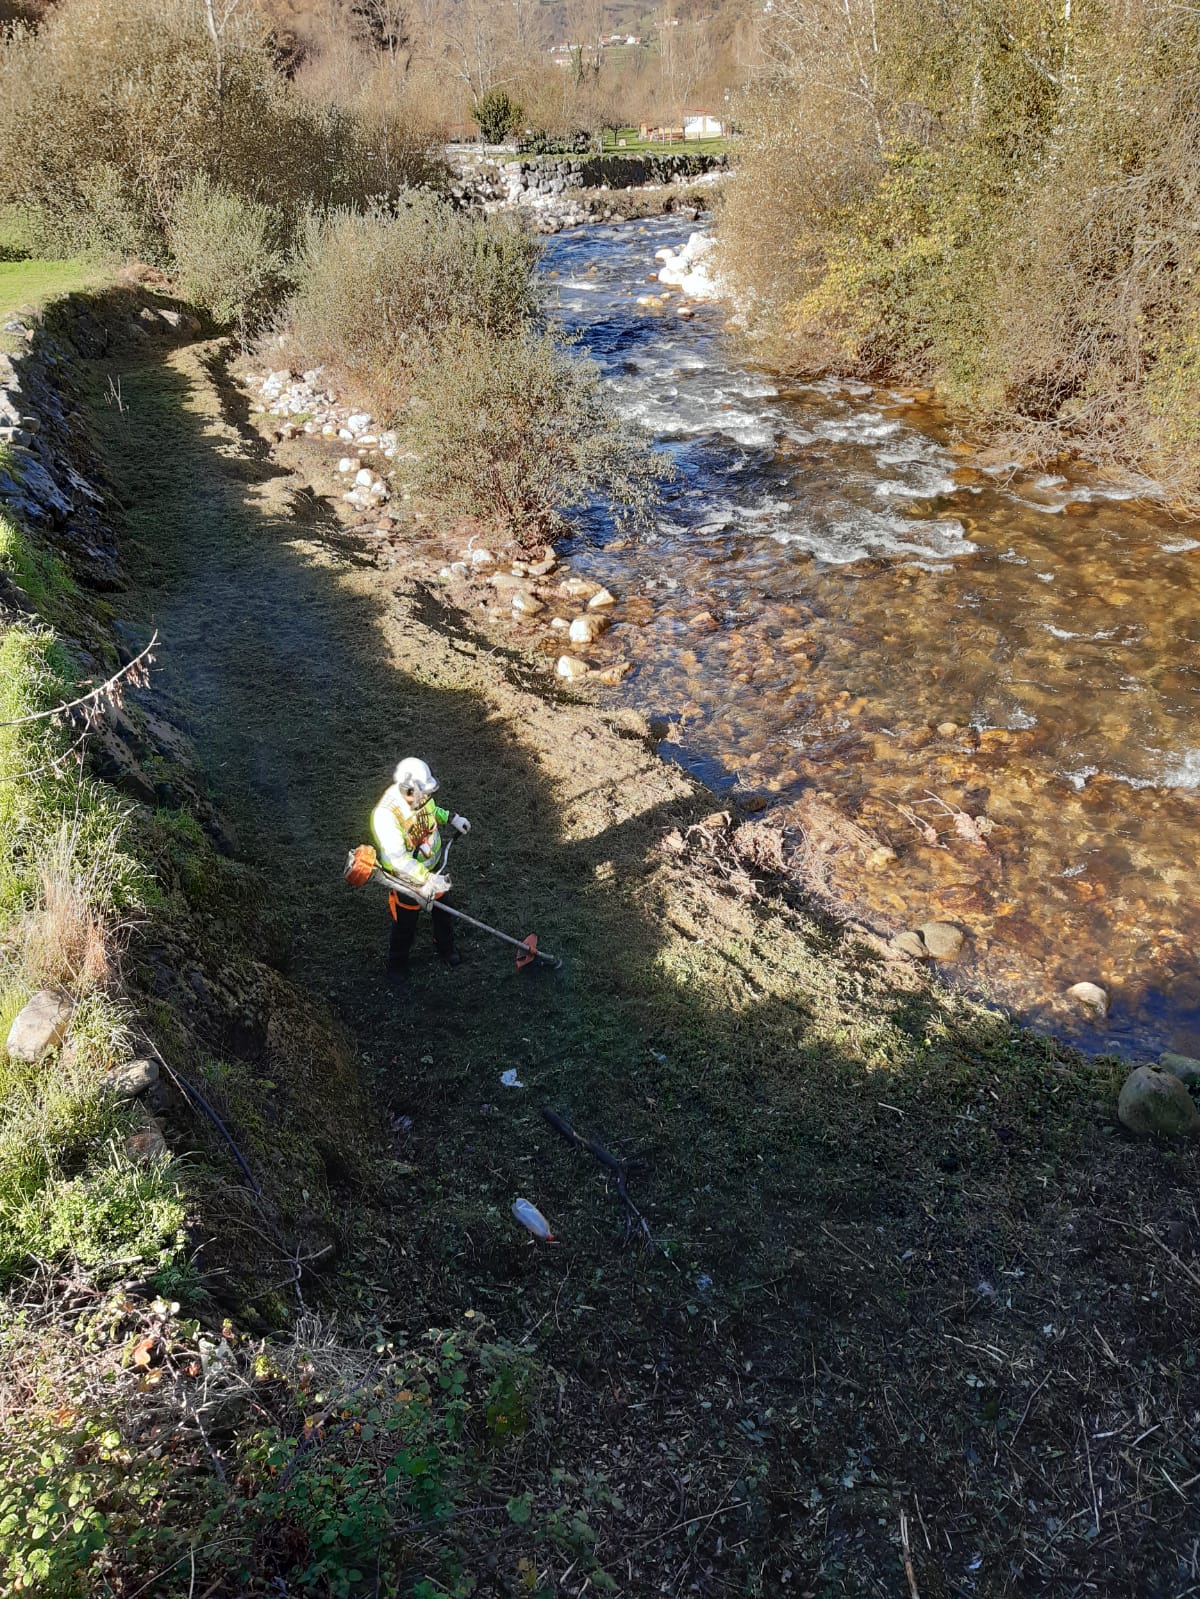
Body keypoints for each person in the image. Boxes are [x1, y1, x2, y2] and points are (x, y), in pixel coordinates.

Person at [370, 757, 471, 982]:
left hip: (433, 871)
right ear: (408, 789)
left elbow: (431, 812)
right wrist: (426, 880)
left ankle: (445, 946)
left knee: (444, 911)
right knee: (405, 924)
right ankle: (397, 963)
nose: (426, 798)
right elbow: (398, 859)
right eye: (422, 794)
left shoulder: (420, 798)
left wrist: (451, 818)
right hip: (405, 881)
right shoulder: (386, 816)